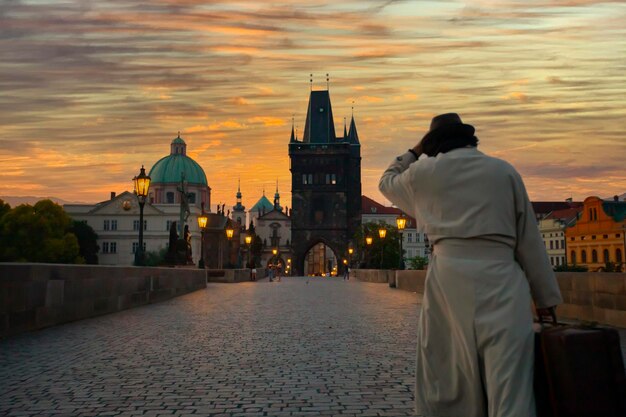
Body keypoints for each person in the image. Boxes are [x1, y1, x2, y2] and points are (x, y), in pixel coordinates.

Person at [379, 113, 562, 417]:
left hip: (448, 283)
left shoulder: (423, 173)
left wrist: (414, 151)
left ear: (432, 144)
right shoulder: (504, 172)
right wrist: (545, 300)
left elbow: (386, 182)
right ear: (470, 138)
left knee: (448, 382)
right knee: (510, 387)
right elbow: (530, 241)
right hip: (503, 279)